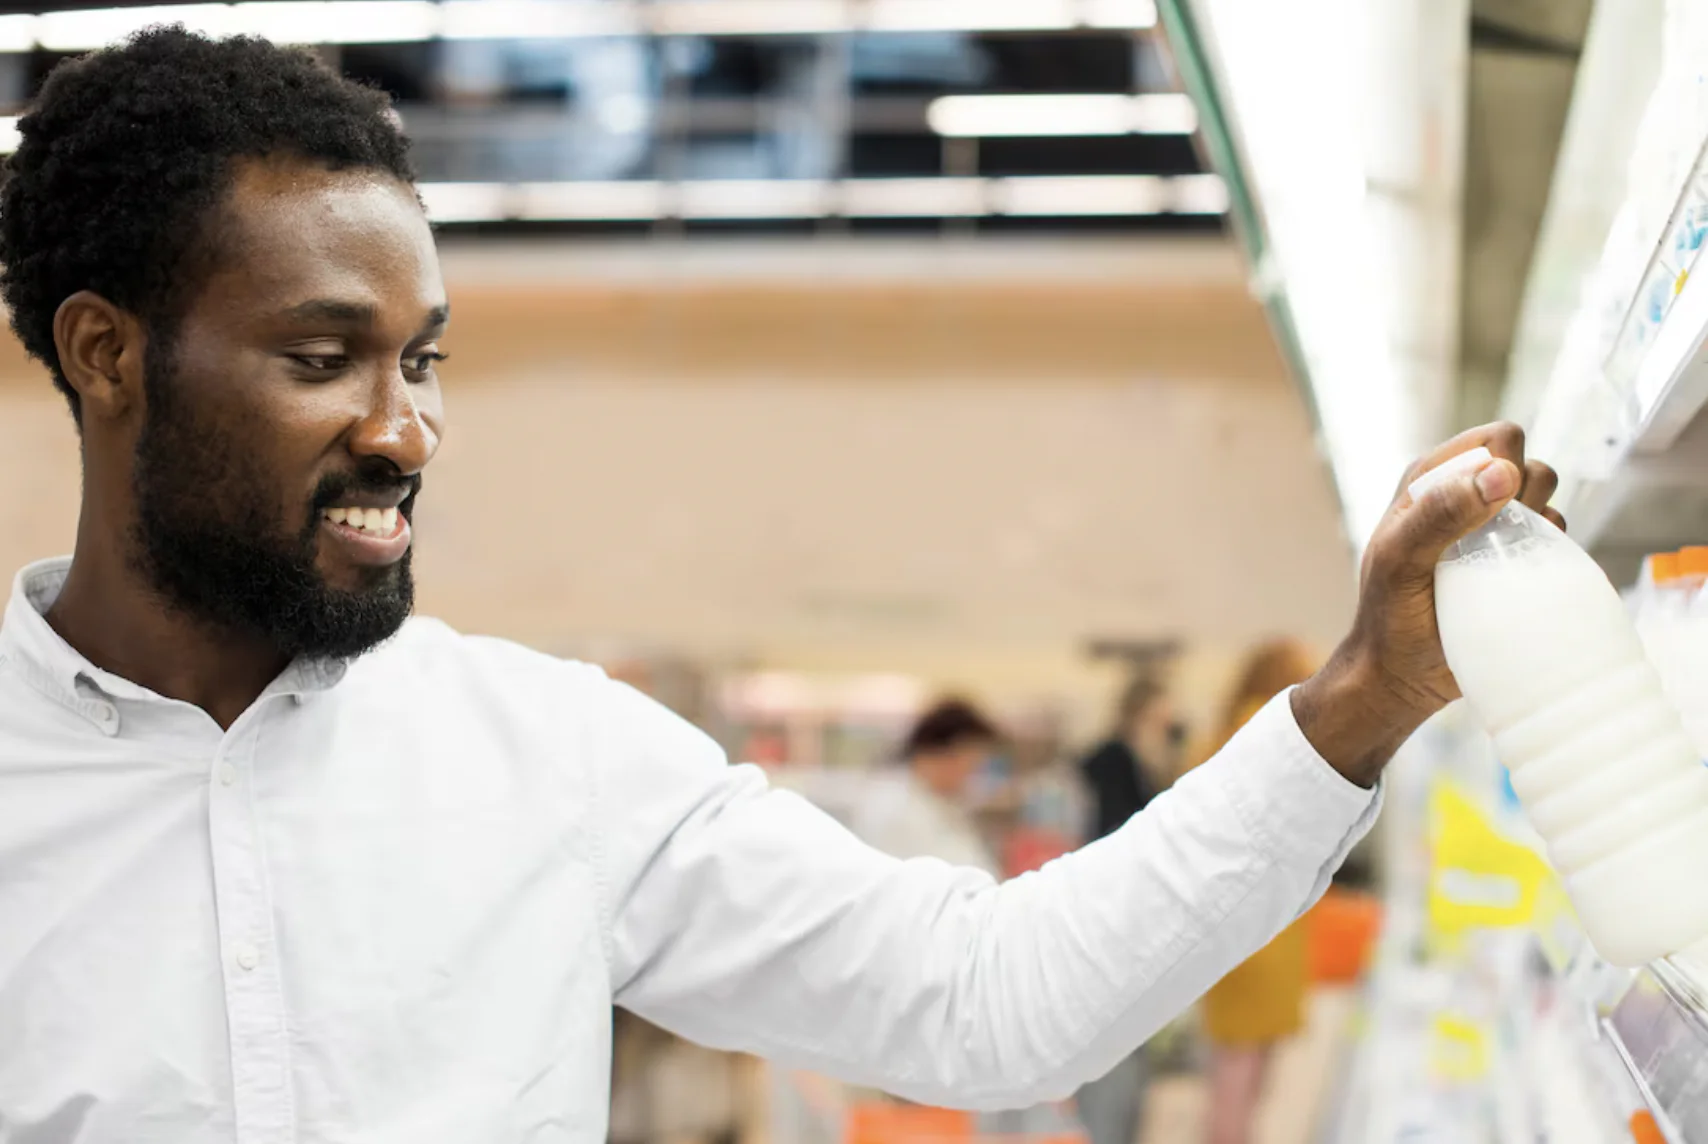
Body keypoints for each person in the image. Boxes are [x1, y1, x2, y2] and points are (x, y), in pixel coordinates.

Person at [0, 27, 1564, 1143]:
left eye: (421, 361)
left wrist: (1363, 698)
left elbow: (988, 1001)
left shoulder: (552, 760)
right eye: (320, 358)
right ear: (106, 353)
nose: (405, 428)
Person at [1191, 640, 1322, 1144]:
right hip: (1267, 926)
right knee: (1246, 1073)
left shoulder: (1217, 737)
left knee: (1234, 1068)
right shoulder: (1272, 732)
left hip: (1233, 925)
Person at [1070, 676, 1181, 1144]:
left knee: (1132, 1042)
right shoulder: (1116, 758)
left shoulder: (1137, 757)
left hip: (1130, 911)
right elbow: (1124, 827)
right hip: (1113, 911)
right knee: (1112, 1041)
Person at [849, 698, 1003, 875]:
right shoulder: (894, 806)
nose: (972, 778)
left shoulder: (939, 803)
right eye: (972, 766)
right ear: (945, 756)